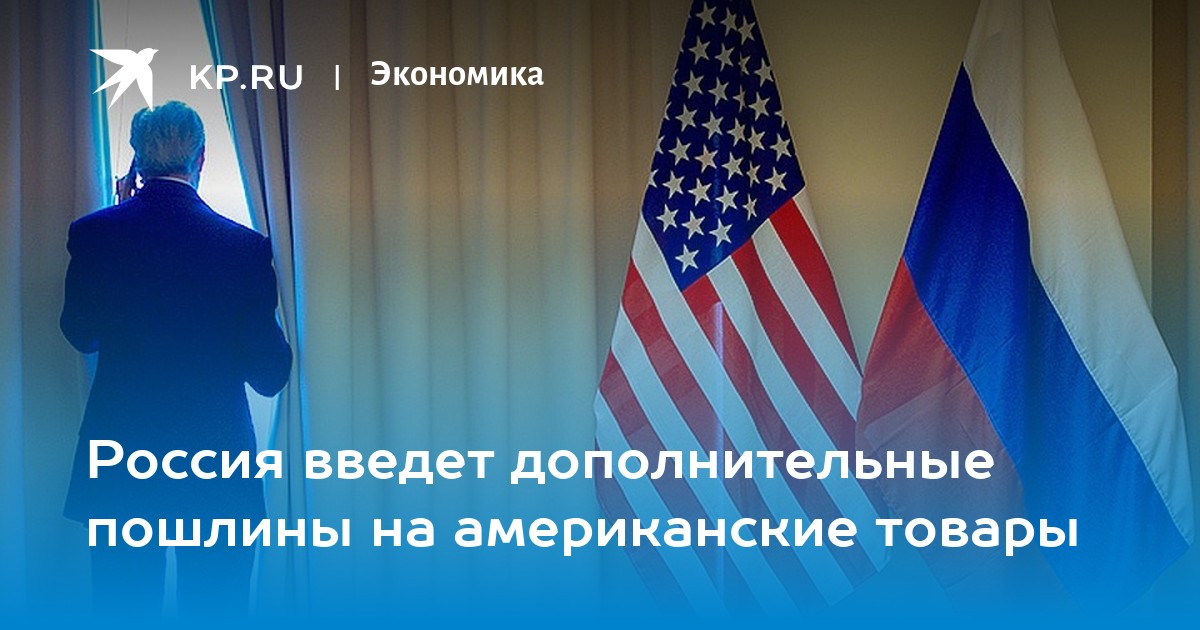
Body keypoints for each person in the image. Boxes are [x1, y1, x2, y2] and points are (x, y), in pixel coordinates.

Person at [60, 101, 292, 616]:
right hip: (216, 468)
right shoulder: (245, 248)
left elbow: (81, 334)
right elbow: (269, 375)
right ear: (201, 157)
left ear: (136, 161)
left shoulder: (94, 233)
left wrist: (117, 219)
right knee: (215, 611)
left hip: (121, 463)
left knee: (122, 611)